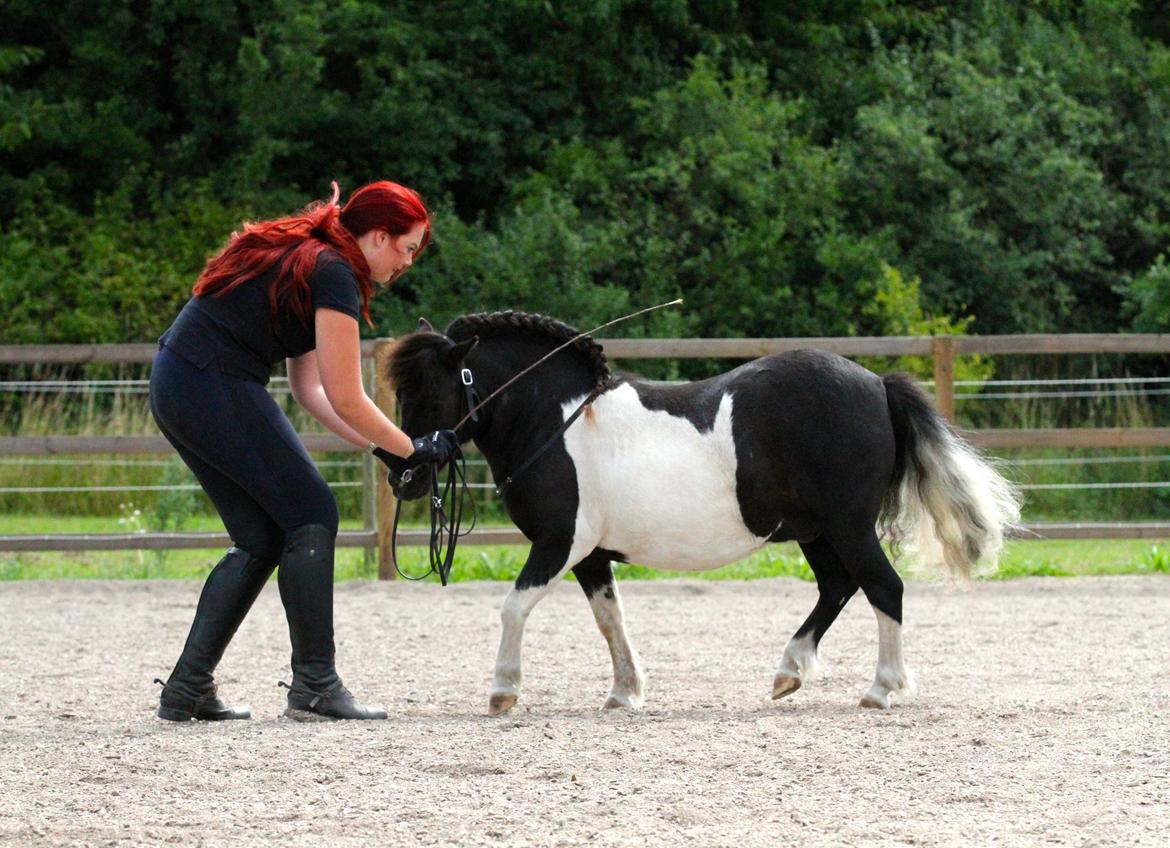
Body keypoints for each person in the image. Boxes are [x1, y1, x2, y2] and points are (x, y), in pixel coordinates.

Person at [149, 181, 458, 722]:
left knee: (262, 536)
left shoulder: (317, 260)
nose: (408, 263)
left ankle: (187, 688)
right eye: (407, 247)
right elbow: (347, 396)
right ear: (379, 236)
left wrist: (387, 451)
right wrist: (413, 448)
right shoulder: (334, 272)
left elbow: (310, 391)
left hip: (181, 382)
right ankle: (315, 686)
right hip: (210, 381)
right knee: (313, 511)